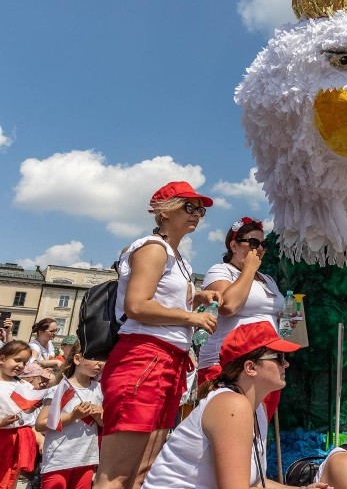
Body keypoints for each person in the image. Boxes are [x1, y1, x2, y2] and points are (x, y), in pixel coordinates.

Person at [94, 181, 221, 489]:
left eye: (200, 210)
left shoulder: (179, 260)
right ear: (164, 212)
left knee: (143, 471)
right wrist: (191, 315)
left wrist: (195, 298)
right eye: (188, 207)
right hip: (145, 357)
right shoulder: (153, 249)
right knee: (117, 474)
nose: (197, 215)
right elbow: (136, 304)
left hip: (168, 359)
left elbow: (160, 302)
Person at [144, 321, 324, 489]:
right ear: (250, 368)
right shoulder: (232, 406)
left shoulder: (256, 409)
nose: (286, 363)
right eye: (278, 357)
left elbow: (258, 483)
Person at [197, 217, 285, 417]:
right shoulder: (221, 271)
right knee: (228, 427)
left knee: (257, 431)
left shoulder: (268, 280)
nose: (259, 249)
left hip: (265, 364)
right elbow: (228, 306)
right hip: (229, 366)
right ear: (234, 245)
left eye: (264, 244)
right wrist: (248, 269)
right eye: (253, 243)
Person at [35, 342, 104, 489]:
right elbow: (41, 424)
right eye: (94, 357)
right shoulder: (59, 389)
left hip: (86, 459)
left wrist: (99, 416)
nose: (100, 363)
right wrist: (72, 416)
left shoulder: (100, 389)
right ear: (77, 359)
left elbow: (105, 425)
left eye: (103, 358)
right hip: (58, 459)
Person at [0, 340, 36, 489]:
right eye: (17, 360)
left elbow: (28, 415)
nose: (21, 366)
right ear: (2, 359)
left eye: (25, 363)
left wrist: (34, 406)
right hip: (2, 437)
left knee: (11, 477)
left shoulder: (24, 385)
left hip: (18, 439)